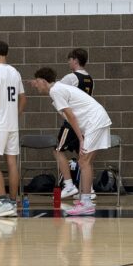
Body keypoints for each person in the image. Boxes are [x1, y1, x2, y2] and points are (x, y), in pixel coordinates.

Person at [33, 67, 111, 216]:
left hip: (95, 121)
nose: (35, 84)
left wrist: (81, 139)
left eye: (36, 81)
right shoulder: (58, 90)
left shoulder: (56, 90)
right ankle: (85, 199)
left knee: (84, 162)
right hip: (96, 121)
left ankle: (86, 203)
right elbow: (71, 117)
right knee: (85, 162)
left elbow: (71, 117)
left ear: (43, 81)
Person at [0, 40, 26, 218]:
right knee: (11, 162)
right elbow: (23, 99)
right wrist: (14, 114)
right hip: (12, 124)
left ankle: (3, 201)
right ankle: (13, 201)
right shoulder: (15, 71)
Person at [56, 49, 95, 199]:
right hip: (86, 122)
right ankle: (89, 189)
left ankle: (69, 185)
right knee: (85, 156)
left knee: (57, 149)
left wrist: (63, 113)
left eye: (69, 59)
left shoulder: (71, 77)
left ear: (75, 60)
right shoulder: (91, 79)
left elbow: (55, 90)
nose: (68, 62)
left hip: (73, 121)